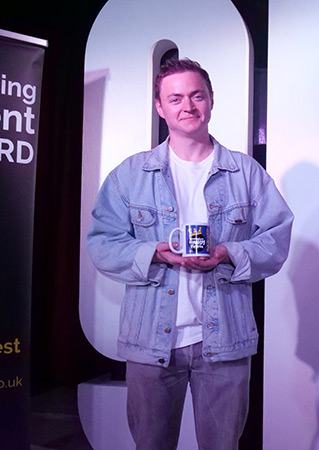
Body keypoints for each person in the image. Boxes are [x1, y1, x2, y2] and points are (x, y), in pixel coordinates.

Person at [87, 58, 294, 449]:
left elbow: (276, 239)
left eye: (197, 95)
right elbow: (102, 244)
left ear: (211, 100)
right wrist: (155, 253)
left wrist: (227, 253)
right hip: (151, 342)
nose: (188, 106)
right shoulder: (131, 175)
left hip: (224, 343)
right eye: (176, 97)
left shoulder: (245, 173)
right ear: (160, 107)